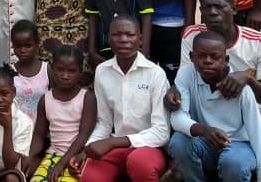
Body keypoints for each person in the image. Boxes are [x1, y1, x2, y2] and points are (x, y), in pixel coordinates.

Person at [169, 0, 261, 166]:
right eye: (206, 7)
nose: (212, 12)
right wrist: (174, 91)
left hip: (257, 113)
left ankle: (249, 164)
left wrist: (247, 79)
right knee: (178, 140)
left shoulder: (258, 43)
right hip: (206, 110)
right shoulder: (192, 36)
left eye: (219, 7)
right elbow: (186, 80)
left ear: (234, 9)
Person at [168, 32, 261, 182]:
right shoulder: (186, 74)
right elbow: (177, 118)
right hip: (205, 142)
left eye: (215, 57)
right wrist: (205, 130)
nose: (208, 61)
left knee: (234, 163)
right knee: (179, 142)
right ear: (191, 57)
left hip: (238, 145)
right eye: (201, 56)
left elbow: (258, 137)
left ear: (226, 60)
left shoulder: (241, 88)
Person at [74, 16, 170, 182]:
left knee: (140, 164)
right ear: (109, 39)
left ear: (140, 39)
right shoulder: (102, 72)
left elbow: (161, 132)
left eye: (129, 35)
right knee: (90, 177)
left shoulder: (155, 74)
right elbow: (104, 123)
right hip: (116, 148)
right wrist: (87, 148)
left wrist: (113, 143)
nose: (123, 40)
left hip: (148, 148)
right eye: (117, 35)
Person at [25, 46, 95, 182]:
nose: (65, 75)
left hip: (76, 157)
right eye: (60, 70)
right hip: (52, 155)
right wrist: (29, 156)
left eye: (71, 71)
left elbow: (83, 137)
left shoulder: (87, 98)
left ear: (80, 71)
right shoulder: (46, 99)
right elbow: (39, 135)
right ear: (52, 69)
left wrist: (61, 165)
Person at [10, 20, 49, 121]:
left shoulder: (46, 70)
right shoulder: (10, 72)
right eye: (18, 46)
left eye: (28, 46)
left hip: (42, 130)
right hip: (17, 130)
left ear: (37, 44)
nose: (23, 50)